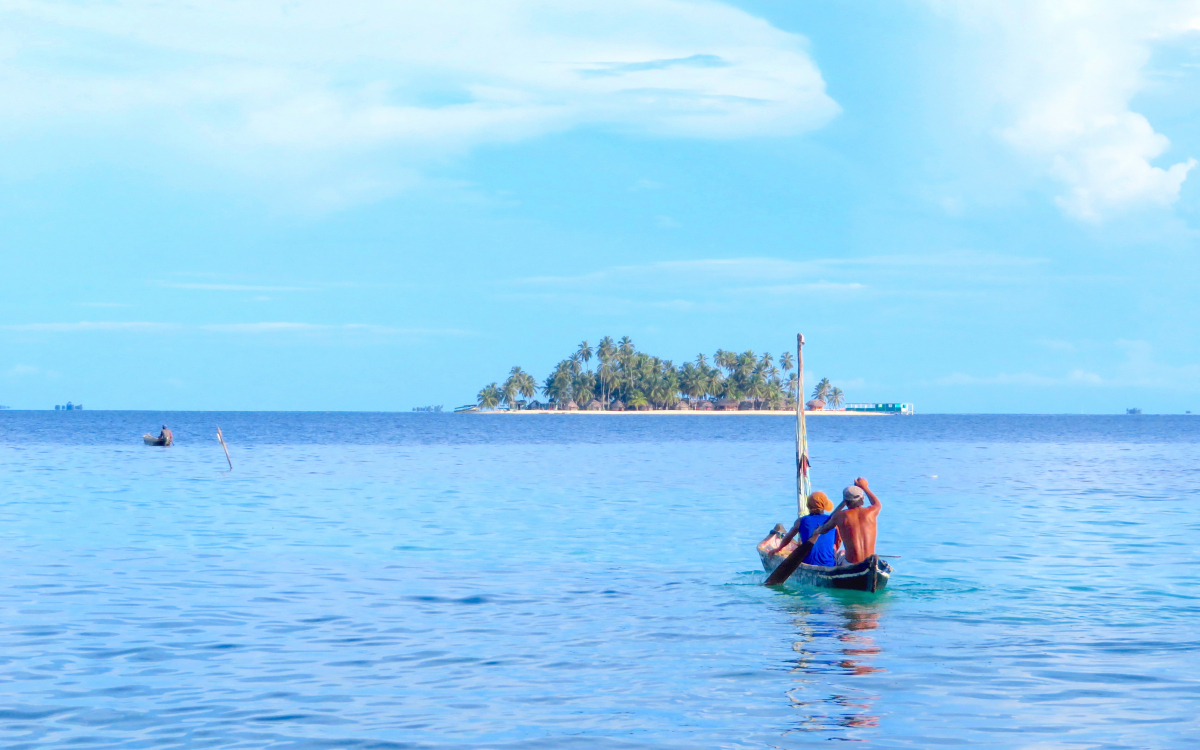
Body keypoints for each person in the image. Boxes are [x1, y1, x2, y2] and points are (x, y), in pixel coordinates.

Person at [808, 478, 881, 565]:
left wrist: (816, 531)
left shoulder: (839, 516)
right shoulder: (872, 512)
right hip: (870, 562)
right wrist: (865, 487)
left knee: (839, 553)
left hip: (850, 564)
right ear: (863, 499)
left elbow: (823, 530)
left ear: (845, 501)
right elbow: (877, 503)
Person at [773, 491, 842, 566]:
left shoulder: (801, 521)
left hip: (808, 563)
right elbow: (838, 541)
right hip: (829, 564)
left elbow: (788, 537)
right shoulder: (833, 520)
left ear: (808, 506)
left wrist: (778, 549)